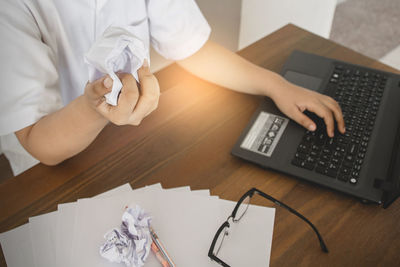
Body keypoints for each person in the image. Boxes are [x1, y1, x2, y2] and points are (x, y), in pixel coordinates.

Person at [0, 0, 345, 176]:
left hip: (126, 140)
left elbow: (191, 46)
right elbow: (38, 142)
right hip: (49, 164)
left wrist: (275, 84)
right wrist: (93, 109)